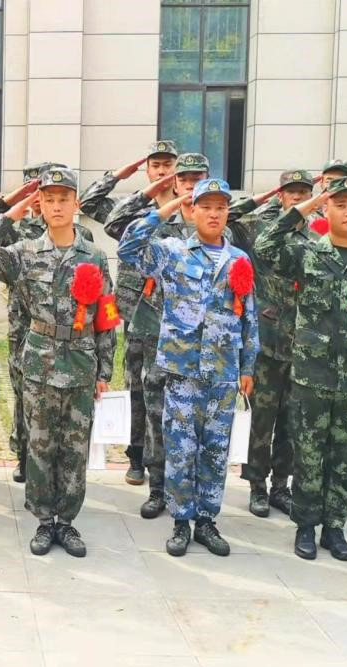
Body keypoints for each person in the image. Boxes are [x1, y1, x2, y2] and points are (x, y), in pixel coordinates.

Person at [0, 168, 115, 556]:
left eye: (63, 199)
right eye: (49, 199)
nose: (56, 206)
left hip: (81, 361)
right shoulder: (24, 253)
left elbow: (107, 314)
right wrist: (11, 215)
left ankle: (66, 522)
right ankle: (43, 521)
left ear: (76, 204)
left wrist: (105, 369)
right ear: (40, 205)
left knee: (74, 448)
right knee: (39, 445)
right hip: (39, 361)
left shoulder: (95, 257)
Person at [256, 177, 347, 561]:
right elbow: (265, 245)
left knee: (342, 457)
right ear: (327, 209)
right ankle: (305, 525)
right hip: (311, 376)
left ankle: (335, 527)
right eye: (340, 204)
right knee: (307, 455)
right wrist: (305, 206)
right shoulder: (306, 255)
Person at [119, 178, 258, 557]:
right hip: (183, 371)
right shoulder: (172, 252)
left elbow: (249, 316)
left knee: (215, 450)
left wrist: (247, 365)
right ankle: (181, 521)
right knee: (180, 449)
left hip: (223, 372)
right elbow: (129, 247)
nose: (214, 214)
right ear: (192, 211)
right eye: (205, 207)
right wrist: (165, 208)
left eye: (220, 207)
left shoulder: (239, 260)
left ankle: (207, 520)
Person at [83, 140, 178, 491]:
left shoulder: (189, 211)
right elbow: (89, 204)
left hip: (176, 315)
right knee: (137, 384)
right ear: (148, 170)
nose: (162, 171)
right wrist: (121, 176)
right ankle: (136, 456)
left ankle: (167, 460)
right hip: (138, 312)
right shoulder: (132, 209)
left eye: (168, 165)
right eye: (156, 165)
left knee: (170, 391)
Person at [229, 170, 315, 518]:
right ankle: (257, 487)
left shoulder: (318, 238)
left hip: (302, 345)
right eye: (292, 192)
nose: (298, 198)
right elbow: (228, 217)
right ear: (281, 196)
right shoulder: (260, 230)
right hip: (266, 342)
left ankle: (281, 486)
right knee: (261, 421)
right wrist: (258, 199)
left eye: (304, 192)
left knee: (292, 422)